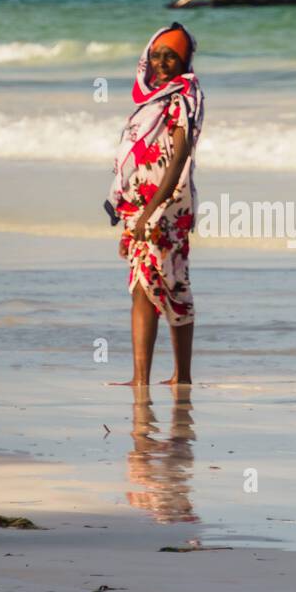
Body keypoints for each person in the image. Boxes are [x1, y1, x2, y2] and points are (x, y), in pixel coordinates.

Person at [105, 23, 203, 385]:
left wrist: (152, 211)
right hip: (141, 206)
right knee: (141, 287)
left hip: (168, 206)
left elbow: (179, 159)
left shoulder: (184, 98)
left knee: (173, 285)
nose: (161, 63)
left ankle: (181, 375)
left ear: (185, 59)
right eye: (156, 55)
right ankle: (142, 377)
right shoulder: (153, 99)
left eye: (171, 56)